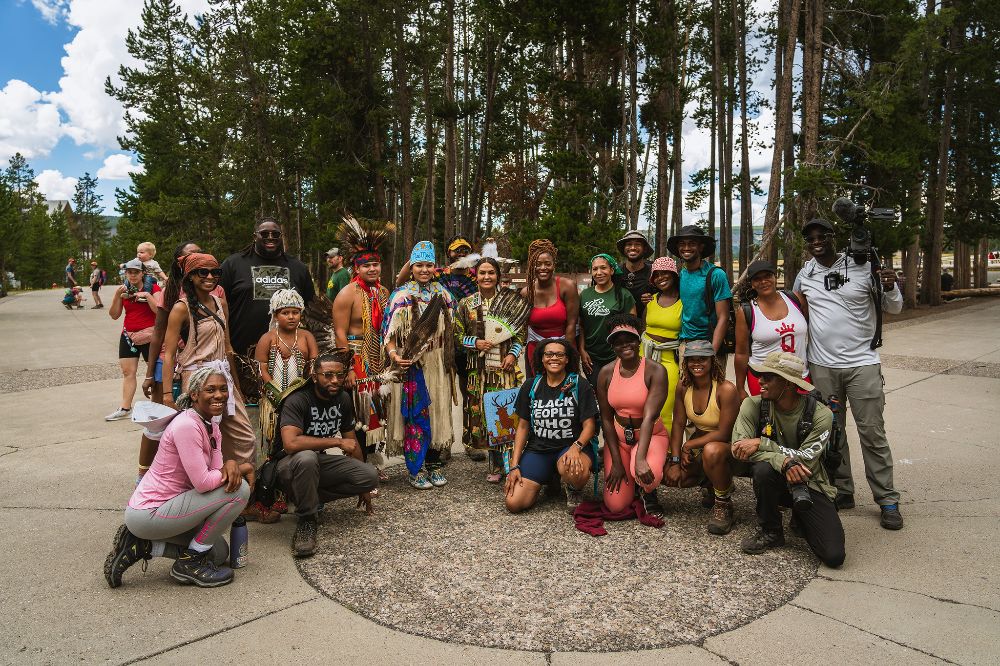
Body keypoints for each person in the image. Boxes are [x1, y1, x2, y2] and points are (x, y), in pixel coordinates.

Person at [793, 218, 904, 529]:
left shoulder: (860, 265)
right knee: (832, 433)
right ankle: (842, 490)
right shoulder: (806, 273)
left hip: (862, 363)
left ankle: (887, 499)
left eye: (822, 236)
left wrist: (891, 286)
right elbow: (794, 309)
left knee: (872, 433)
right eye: (810, 237)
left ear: (833, 237)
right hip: (822, 366)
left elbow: (894, 308)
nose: (817, 241)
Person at [104, 367, 254, 589]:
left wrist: (230, 464)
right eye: (210, 389)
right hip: (149, 513)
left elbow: (215, 471)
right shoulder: (187, 425)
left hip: (170, 509)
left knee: (218, 553)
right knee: (239, 490)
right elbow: (204, 483)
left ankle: (142, 546)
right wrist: (240, 468)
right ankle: (189, 564)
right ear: (194, 394)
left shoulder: (210, 424)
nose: (219, 395)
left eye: (223, 389)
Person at [731, 351, 846, 567]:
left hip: (809, 481)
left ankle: (800, 516)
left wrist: (762, 443)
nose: (760, 381)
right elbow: (738, 448)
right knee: (763, 470)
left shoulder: (822, 415)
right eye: (760, 375)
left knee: (834, 556)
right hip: (774, 478)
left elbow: (806, 460)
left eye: (769, 377)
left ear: (789, 384)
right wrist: (782, 462)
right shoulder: (753, 405)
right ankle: (771, 530)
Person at [277, 353, 380, 558]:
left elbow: (352, 442)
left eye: (339, 375)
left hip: (316, 464)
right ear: (315, 377)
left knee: (370, 475)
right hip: (289, 466)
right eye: (328, 375)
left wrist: (365, 487)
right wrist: (337, 441)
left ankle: (309, 498)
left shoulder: (342, 399)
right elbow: (291, 444)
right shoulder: (297, 399)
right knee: (307, 457)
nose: (335, 380)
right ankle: (307, 519)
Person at [162, 253, 257, 467]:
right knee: (203, 440)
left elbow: (228, 346)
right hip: (196, 380)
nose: (210, 276)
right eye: (203, 272)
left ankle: (243, 485)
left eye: (215, 272)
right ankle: (209, 488)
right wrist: (167, 394)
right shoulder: (181, 308)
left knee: (244, 437)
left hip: (223, 377)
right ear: (190, 277)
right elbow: (169, 354)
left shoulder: (220, 303)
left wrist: (237, 386)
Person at [383, 241, 458, 489]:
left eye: (428, 265)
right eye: (419, 265)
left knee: (437, 414)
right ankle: (415, 469)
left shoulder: (444, 295)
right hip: (412, 364)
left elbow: (452, 331)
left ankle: (434, 465)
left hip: (437, 362)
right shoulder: (402, 296)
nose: (424, 270)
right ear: (411, 267)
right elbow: (389, 334)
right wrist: (394, 355)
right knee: (415, 414)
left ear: (435, 267)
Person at [505, 339, 598, 514]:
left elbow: (590, 426)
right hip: (539, 449)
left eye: (560, 354)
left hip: (569, 447)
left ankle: (573, 488)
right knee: (514, 503)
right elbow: (523, 427)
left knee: (574, 472)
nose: (554, 358)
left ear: (567, 359)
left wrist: (576, 447)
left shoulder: (579, 384)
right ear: (541, 358)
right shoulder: (531, 386)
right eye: (549, 354)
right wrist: (514, 465)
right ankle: (549, 477)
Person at [454, 256, 527, 481]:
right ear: (476, 276)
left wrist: (513, 355)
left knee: (505, 412)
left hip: (504, 369)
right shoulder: (466, 304)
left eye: (491, 273)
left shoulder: (510, 302)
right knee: (486, 414)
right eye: (482, 273)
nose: (487, 277)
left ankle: (511, 463)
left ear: (498, 276)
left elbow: (520, 334)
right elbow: (455, 336)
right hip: (479, 369)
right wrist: (474, 343)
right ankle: (495, 465)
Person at [333, 216, 392, 472]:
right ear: (356, 269)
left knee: (378, 410)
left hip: (379, 358)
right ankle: (358, 467)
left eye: (376, 264)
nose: (372, 269)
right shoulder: (347, 293)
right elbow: (339, 332)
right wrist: (346, 367)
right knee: (359, 415)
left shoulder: (384, 293)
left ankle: (373, 464)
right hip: (356, 359)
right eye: (366, 265)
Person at [665, 340, 742, 535]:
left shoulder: (726, 389)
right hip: (699, 447)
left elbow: (724, 433)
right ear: (686, 362)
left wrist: (689, 444)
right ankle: (710, 483)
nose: (696, 364)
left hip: (728, 448)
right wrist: (675, 460)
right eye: (692, 360)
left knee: (712, 451)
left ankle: (724, 503)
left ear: (712, 361)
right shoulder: (683, 387)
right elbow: (678, 424)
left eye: (702, 359)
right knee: (670, 476)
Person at [595, 315, 669, 514]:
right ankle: (630, 475)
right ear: (612, 346)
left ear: (638, 341)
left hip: (650, 434)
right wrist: (617, 463)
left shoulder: (656, 371)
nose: (624, 345)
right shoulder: (606, 373)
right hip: (620, 438)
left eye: (629, 340)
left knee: (647, 474)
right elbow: (606, 419)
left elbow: (649, 417)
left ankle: (648, 492)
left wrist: (641, 459)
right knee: (615, 505)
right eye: (618, 342)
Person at [219, 217, 315, 364]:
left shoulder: (298, 267)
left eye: (275, 234)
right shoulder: (233, 264)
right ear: (255, 236)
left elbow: (311, 310)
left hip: (289, 357)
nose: (270, 237)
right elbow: (218, 305)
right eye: (264, 234)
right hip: (242, 354)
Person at [734, 260, 809, 401]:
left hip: (799, 376)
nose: (763, 281)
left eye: (767, 276)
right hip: (763, 378)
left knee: (800, 420)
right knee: (766, 422)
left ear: (775, 277)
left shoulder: (795, 299)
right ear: (751, 284)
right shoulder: (747, 311)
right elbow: (741, 352)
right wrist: (740, 388)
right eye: (757, 279)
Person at [105, 258, 161, 421]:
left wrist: (147, 296)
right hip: (128, 335)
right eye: (130, 272)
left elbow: (160, 310)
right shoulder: (124, 290)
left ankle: (157, 406)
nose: (133, 275)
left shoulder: (153, 287)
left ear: (142, 273)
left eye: (136, 272)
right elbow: (114, 315)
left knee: (155, 373)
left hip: (150, 335)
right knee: (128, 372)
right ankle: (125, 407)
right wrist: (117, 295)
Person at [668, 225, 732, 357]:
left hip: (709, 342)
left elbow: (723, 317)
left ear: (701, 247)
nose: (686, 248)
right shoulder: (682, 274)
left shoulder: (715, 275)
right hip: (685, 344)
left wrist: (712, 353)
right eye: (682, 244)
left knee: (712, 379)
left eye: (692, 244)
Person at [521, 239, 579, 377]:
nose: (543, 268)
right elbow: (522, 327)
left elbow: (572, 324)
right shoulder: (526, 293)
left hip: (564, 345)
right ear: (531, 266)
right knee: (537, 390)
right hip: (535, 348)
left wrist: (567, 355)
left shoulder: (567, 286)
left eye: (547, 264)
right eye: (538, 264)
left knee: (565, 391)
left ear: (554, 265)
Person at [578, 254, 636, 384]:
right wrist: (582, 351)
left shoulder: (623, 295)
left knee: (616, 395)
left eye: (603, 268)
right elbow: (581, 326)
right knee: (598, 393)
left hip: (616, 355)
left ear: (612, 270)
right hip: (591, 357)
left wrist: (622, 355)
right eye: (595, 269)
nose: (599, 272)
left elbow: (632, 330)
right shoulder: (585, 295)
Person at [641, 256, 682, 430]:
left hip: (669, 359)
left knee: (666, 409)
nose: (661, 278)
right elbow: (643, 327)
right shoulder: (651, 300)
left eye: (665, 273)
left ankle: (669, 453)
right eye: (656, 275)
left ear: (674, 275)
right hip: (644, 356)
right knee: (640, 404)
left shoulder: (684, 301)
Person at [255, 289, 318, 390]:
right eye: (285, 313)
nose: (291, 317)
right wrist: (276, 394)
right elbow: (261, 369)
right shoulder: (267, 339)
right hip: (272, 398)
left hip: (301, 396)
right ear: (275, 316)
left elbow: (315, 367)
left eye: (295, 312)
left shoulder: (307, 337)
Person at [615, 230, 656, 319]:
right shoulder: (615, 272)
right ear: (624, 248)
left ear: (645, 249)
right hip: (619, 326)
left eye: (638, 244)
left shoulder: (654, 272)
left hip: (648, 325)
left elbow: (665, 295)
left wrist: (652, 299)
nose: (633, 247)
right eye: (629, 244)